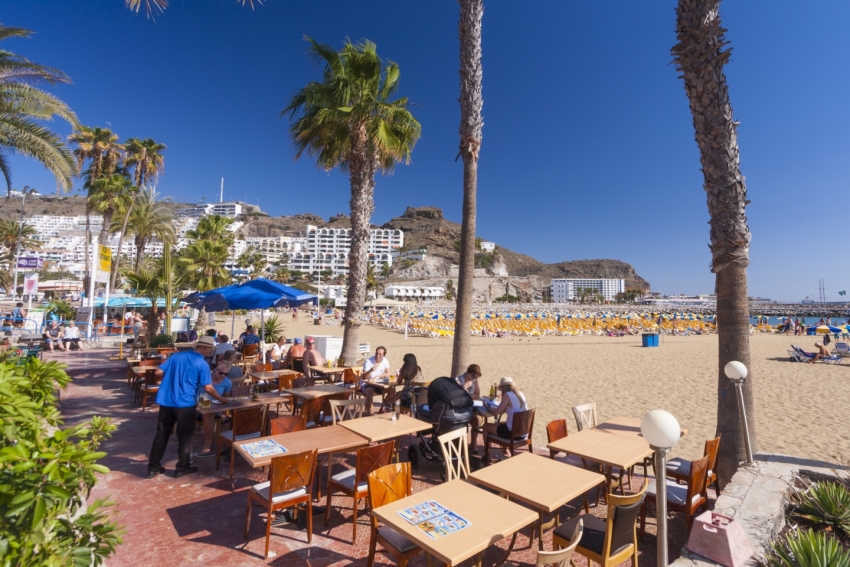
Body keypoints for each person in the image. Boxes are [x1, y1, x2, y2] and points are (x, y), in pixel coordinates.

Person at [147, 336, 228, 479]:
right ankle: (182, 467)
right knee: (185, 437)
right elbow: (208, 388)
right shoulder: (202, 364)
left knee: (161, 435)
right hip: (185, 403)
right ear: (205, 348)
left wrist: (172, 376)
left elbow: (158, 372)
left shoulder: (176, 356)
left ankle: (153, 467)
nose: (210, 352)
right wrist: (222, 400)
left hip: (166, 401)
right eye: (210, 349)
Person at [194, 360, 233, 458]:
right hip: (196, 405)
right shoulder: (204, 377)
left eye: (226, 374)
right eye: (221, 372)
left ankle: (208, 442)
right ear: (215, 370)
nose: (223, 375)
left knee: (208, 413)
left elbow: (226, 398)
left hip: (214, 408)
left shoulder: (227, 382)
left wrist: (222, 412)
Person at [360, 346, 391, 415]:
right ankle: (368, 412)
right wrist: (371, 370)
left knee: (391, 390)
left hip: (378, 383)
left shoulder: (384, 361)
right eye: (376, 353)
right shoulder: (368, 361)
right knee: (370, 391)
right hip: (367, 384)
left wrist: (378, 376)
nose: (377, 355)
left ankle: (384, 406)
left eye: (380, 354)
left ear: (383, 355)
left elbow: (388, 372)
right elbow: (364, 377)